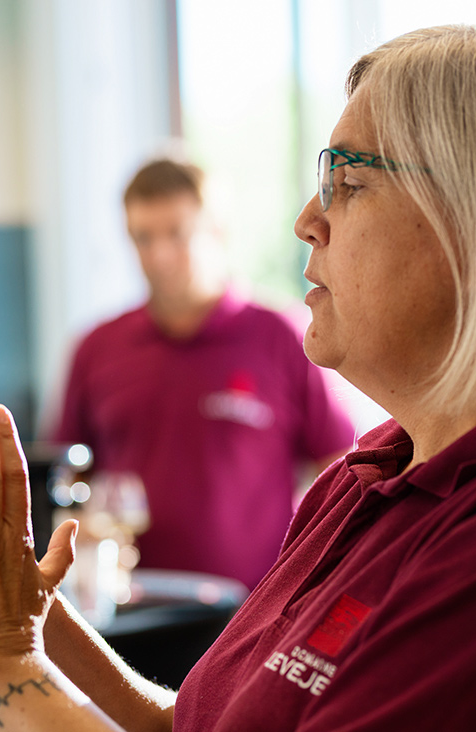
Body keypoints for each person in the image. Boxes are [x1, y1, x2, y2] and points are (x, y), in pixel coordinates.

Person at [0, 25, 476, 731]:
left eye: (351, 183)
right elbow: (191, 724)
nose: (306, 221)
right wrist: (27, 611)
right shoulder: (379, 469)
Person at [50, 157, 355, 590]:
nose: (158, 254)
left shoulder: (284, 337)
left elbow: (338, 464)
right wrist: (82, 530)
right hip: (131, 611)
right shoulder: (97, 348)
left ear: (216, 231)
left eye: (176, 234)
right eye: (142, 237)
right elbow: (65, 477)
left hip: (254, 611)